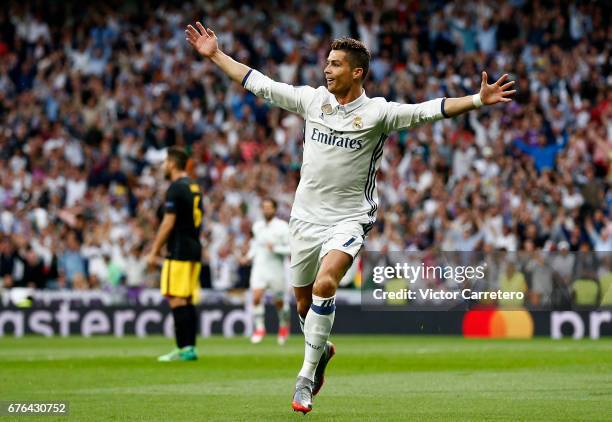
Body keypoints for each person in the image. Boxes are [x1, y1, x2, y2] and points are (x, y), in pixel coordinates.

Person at [185, 21, 515, 413]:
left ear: (357, 72)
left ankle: (305, 378)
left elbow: (429, 111)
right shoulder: (312, 101)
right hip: (305, 217)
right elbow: (260, 83)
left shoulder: (378, 113)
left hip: (349, 218)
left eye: (336, 64)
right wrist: (216, 55)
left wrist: (477, 100)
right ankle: (322, 351)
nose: (327, 70)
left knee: (327, 284)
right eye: (327, 62)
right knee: (304, 307)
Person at [146, 147, 203, 362]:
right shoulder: (194, 186)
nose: (162, 167)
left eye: (164, 163)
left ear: (171, 163)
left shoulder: (175, 188)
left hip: (179, 249)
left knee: (176, 298)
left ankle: (183, 348)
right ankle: (190, 348)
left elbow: (168, 222)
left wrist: (154, 251)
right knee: (186, 298)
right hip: (194, 248)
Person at [247, 197, 291, 345]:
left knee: (279, 302)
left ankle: (284, 326)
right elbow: (255, 245)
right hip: (259, 268)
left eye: (269, 207)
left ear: (274, 209)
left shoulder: (283, 227)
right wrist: (248, 256)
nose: (266, 210)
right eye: (264, 207)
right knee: (256, 297)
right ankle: (260, 328)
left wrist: (276, 248)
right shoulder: (257, 226)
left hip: (276, 270)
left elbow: (291, 248)